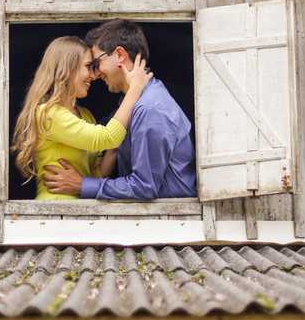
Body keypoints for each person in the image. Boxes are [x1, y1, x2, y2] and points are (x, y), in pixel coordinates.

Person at [43, 19, 197, 200]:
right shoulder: (133, 103)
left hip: (170, 223)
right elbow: (108, 136)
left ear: (119, 55)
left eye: (97, 63)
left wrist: (82, 184)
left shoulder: (150, 109)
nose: (96, 73)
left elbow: (144, 187)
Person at [10, 35, 152, 199]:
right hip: (54, 213)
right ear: (67, 68)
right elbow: (108, 137)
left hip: (81, 211)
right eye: (88, 67)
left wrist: (116, 144)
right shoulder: (48, 114)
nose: (94, 75)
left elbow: (96, 176)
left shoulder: (85, 115)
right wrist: (135, 88)